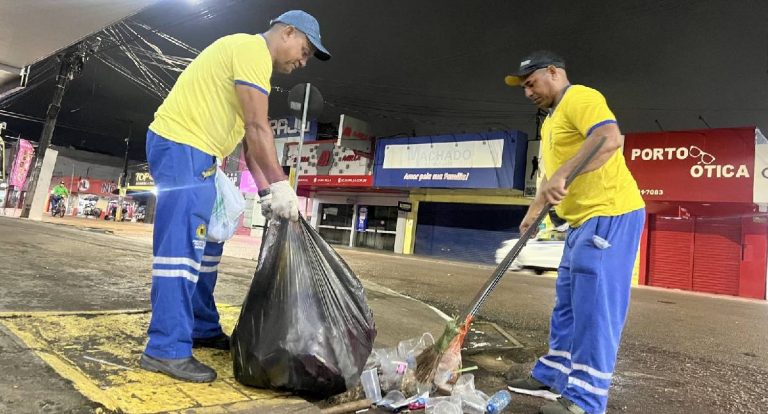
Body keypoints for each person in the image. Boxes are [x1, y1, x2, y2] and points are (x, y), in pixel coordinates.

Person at [139, 10, 331, 383]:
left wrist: (265, 192)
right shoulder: (252, 51)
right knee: (181, 249)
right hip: (183, 146)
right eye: (304, 50)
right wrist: (280, 185)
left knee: (210, 243)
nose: (303, 62)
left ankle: (201, 326)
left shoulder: (251, 60)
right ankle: (165, 348)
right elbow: (259, 129)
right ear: (287, 32)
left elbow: (248, 143)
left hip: (201, 153)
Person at [503, 51, 645, 414]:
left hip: (610, 213)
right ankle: (553, 373)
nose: (527, 93)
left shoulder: (580, 97)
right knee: (567, 302)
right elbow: (550, 177)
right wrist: (534, 212)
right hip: (581, 222)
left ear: (553, 72)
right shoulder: (551, 122)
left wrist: (565, 174)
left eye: (531, 83)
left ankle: (585, 399)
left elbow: (608, 138)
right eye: (523, 87)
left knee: (595, 306)